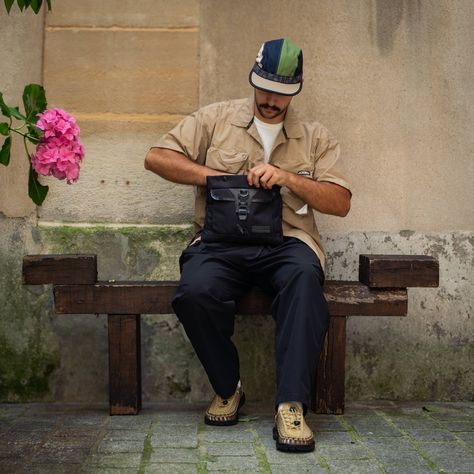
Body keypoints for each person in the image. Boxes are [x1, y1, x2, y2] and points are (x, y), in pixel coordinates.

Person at [145, 38, 351, 452]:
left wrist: (288, 178)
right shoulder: (216, 118)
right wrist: (213, 178)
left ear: (297, 89)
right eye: (264, 88)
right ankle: (229, 387)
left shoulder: (314, 137)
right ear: (253, 78)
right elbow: (156, 157)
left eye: (283, 93)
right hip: (221, 241)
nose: (272, 100)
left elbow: (340, 202)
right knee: (193, 292)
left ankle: (291, 406)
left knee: (305, 282)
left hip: (288, 242)